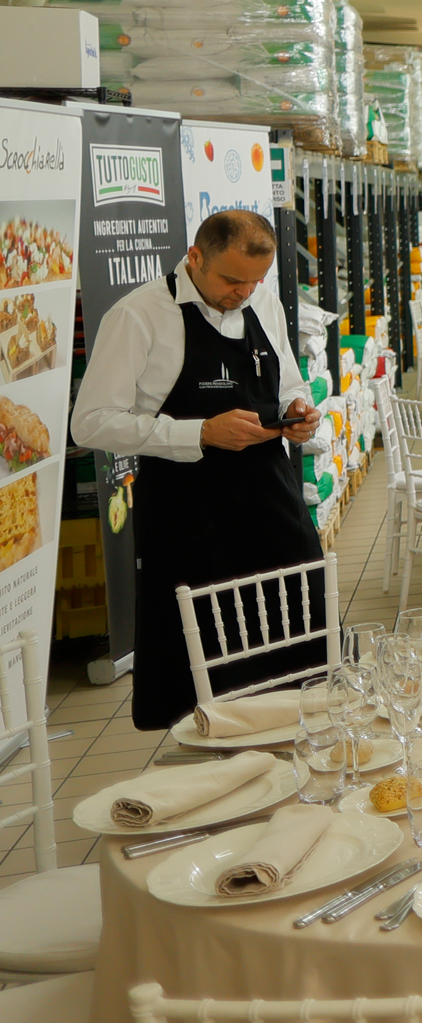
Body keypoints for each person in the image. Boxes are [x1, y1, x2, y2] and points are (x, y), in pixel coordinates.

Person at [70, 209, 325, 731]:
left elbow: (289, 383)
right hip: (187, 518)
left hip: (272, 506)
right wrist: (200, 433)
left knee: (300, 651)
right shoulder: (138, 315)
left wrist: (297, 412)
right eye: (232, 280)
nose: (243, 294)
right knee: (204, 671)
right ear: (195, 258)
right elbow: (89, 424)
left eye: (255, 281)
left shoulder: (263, 303)